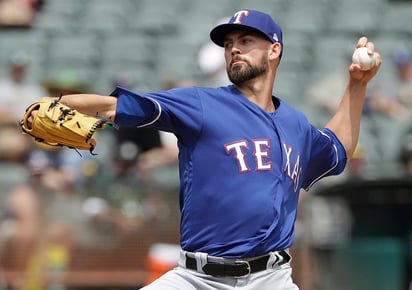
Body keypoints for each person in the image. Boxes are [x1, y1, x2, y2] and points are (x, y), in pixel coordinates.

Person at [27, 10, 382, 290]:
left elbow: (338, 148)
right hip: (197, 279)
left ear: (275, 50)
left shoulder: (297, 125)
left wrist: (356, 85)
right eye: (229, 44)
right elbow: (115, 107)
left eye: (246, 40)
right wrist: (63, 103)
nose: (234, 49)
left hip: (270, 279)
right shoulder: (201, 104)